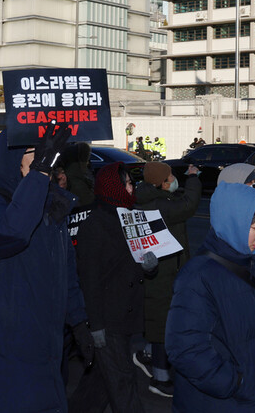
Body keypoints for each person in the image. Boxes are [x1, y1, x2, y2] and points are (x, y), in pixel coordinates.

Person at [0, 126, 94, 413]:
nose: (47, 159)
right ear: (12, 159)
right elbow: (12, 234)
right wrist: (40, 172)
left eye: (49, 154)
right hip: (1, 342)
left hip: (44, 341)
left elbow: (66, 273)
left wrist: (79, 322)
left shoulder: (50, 207)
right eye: (36, 153)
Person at [165, 181, 255, 412]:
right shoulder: (198, 276)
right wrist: (235, 382)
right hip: (227, 402)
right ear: (235, 222)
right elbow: (184, 348)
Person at [69, 162, 156, 412]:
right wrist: (95, 325)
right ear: (113, 187)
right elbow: (89, 279)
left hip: (124, 315)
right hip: (107, 320)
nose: (132, 188)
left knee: (99, 385)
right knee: (123, 383)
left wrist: (149, 266)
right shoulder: (95, 223)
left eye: (131, 182)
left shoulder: (130, 216)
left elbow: (132, 265)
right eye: (127, 183)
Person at [132, 160, 203, 397]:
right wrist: (193, 178)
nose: (174, 180)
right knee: (163, 324)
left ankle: (147, 355)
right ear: (162, 183)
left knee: (157, 320)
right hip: (163, 273)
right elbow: (189, 205)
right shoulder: (159, 206)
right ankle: (160, 378)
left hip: (161, 269)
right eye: (171, 177)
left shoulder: (148, 198)